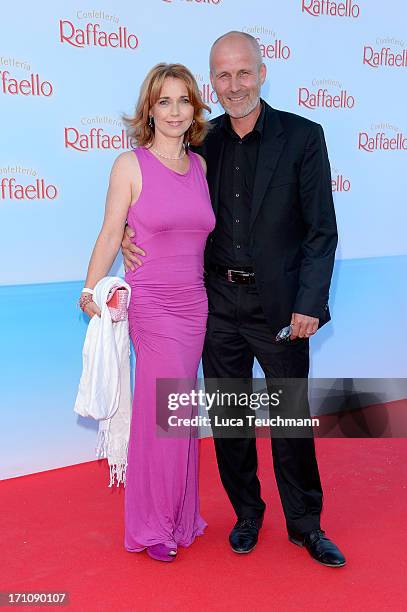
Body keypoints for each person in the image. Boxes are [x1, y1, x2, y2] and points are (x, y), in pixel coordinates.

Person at [122, 32, 346, 568]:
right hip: (217, 303)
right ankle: (247, 514)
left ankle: (306, 524)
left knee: (289, 419)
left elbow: (321, 231)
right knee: (230, 420)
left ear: (262, 73)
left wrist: (310, 303)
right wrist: (129, 237)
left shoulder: (303, 137)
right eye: (222, 76)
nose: (234, 85)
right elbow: (150, 195)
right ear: (211, 84)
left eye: (243, 73)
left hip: (283, 308)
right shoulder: (203, 143)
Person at [78, 63, 215, 562]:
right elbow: (112, 231)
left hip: (195, 304)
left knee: (180, 411)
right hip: (153, 306)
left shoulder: (200, 167)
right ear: (149, 110)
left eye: (184, 100)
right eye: (164, 101)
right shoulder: (129, 165)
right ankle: (153, 523)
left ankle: (180, 515)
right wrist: (90, 287)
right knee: (167, 412)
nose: (175, 111)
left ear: (195, 108)